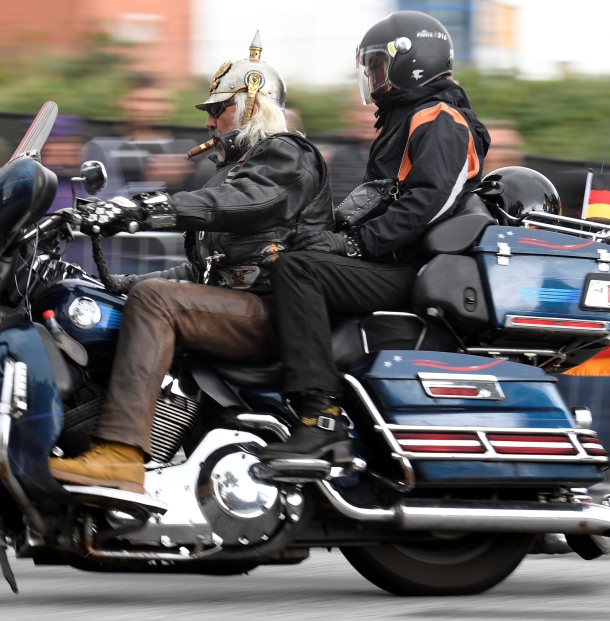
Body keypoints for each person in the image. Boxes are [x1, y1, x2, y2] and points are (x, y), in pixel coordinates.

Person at [48, 34, 335, 492]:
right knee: (134, 298)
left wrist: (140, 209)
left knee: (157, 302)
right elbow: (208, 274)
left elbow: (245, 202)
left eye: (217, 110)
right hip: (244, 308)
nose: (208, 123)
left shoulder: (287, 154)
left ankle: (119, 454)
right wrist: (117, 283)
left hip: (279, 312)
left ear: (249, 106)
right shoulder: (236, 171)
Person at [259, 11, 490, 460]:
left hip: (413, 269)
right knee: (288, 256)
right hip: (389, 260)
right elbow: (375, 200)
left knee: (298, 271)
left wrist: (354, 244)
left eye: (379, 65)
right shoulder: (407, 119)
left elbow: (430, 201)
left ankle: (320, 417)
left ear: (413, 60)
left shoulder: (440, 118)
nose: (373, 77)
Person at [83, 73, 198, 198]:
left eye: (157, 101)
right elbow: (95, 199)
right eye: (139, 100)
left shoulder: (190, 145)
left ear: (171, 106)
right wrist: (149, 184)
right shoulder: (101, 146)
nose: (147, 108)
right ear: (121, 102)